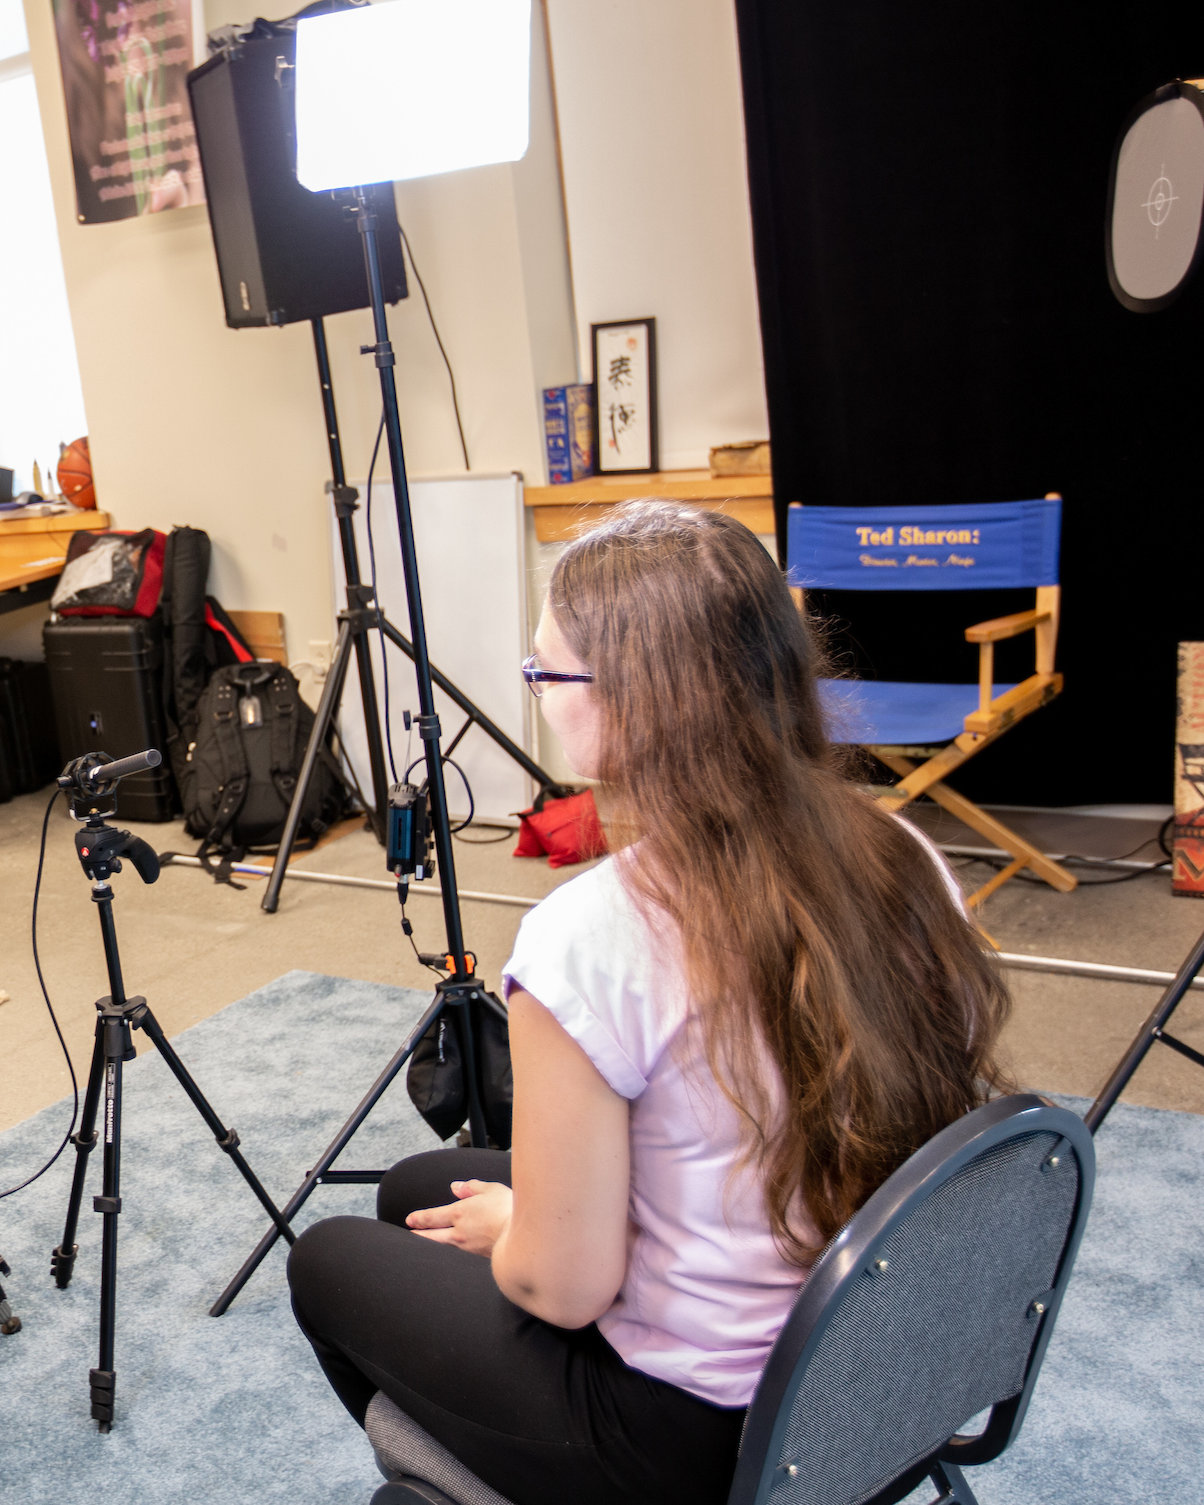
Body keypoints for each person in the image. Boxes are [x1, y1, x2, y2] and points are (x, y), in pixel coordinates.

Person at [287, 500, 1012, 1505]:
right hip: (867, 1359)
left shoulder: (588, 937)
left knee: (327, 1259)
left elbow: (564, 1285)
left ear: (637, 699)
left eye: (548, 674)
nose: (535, 694)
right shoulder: (906, 858)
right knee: (421, 1185)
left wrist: (523, 1233)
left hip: (696, 1435)